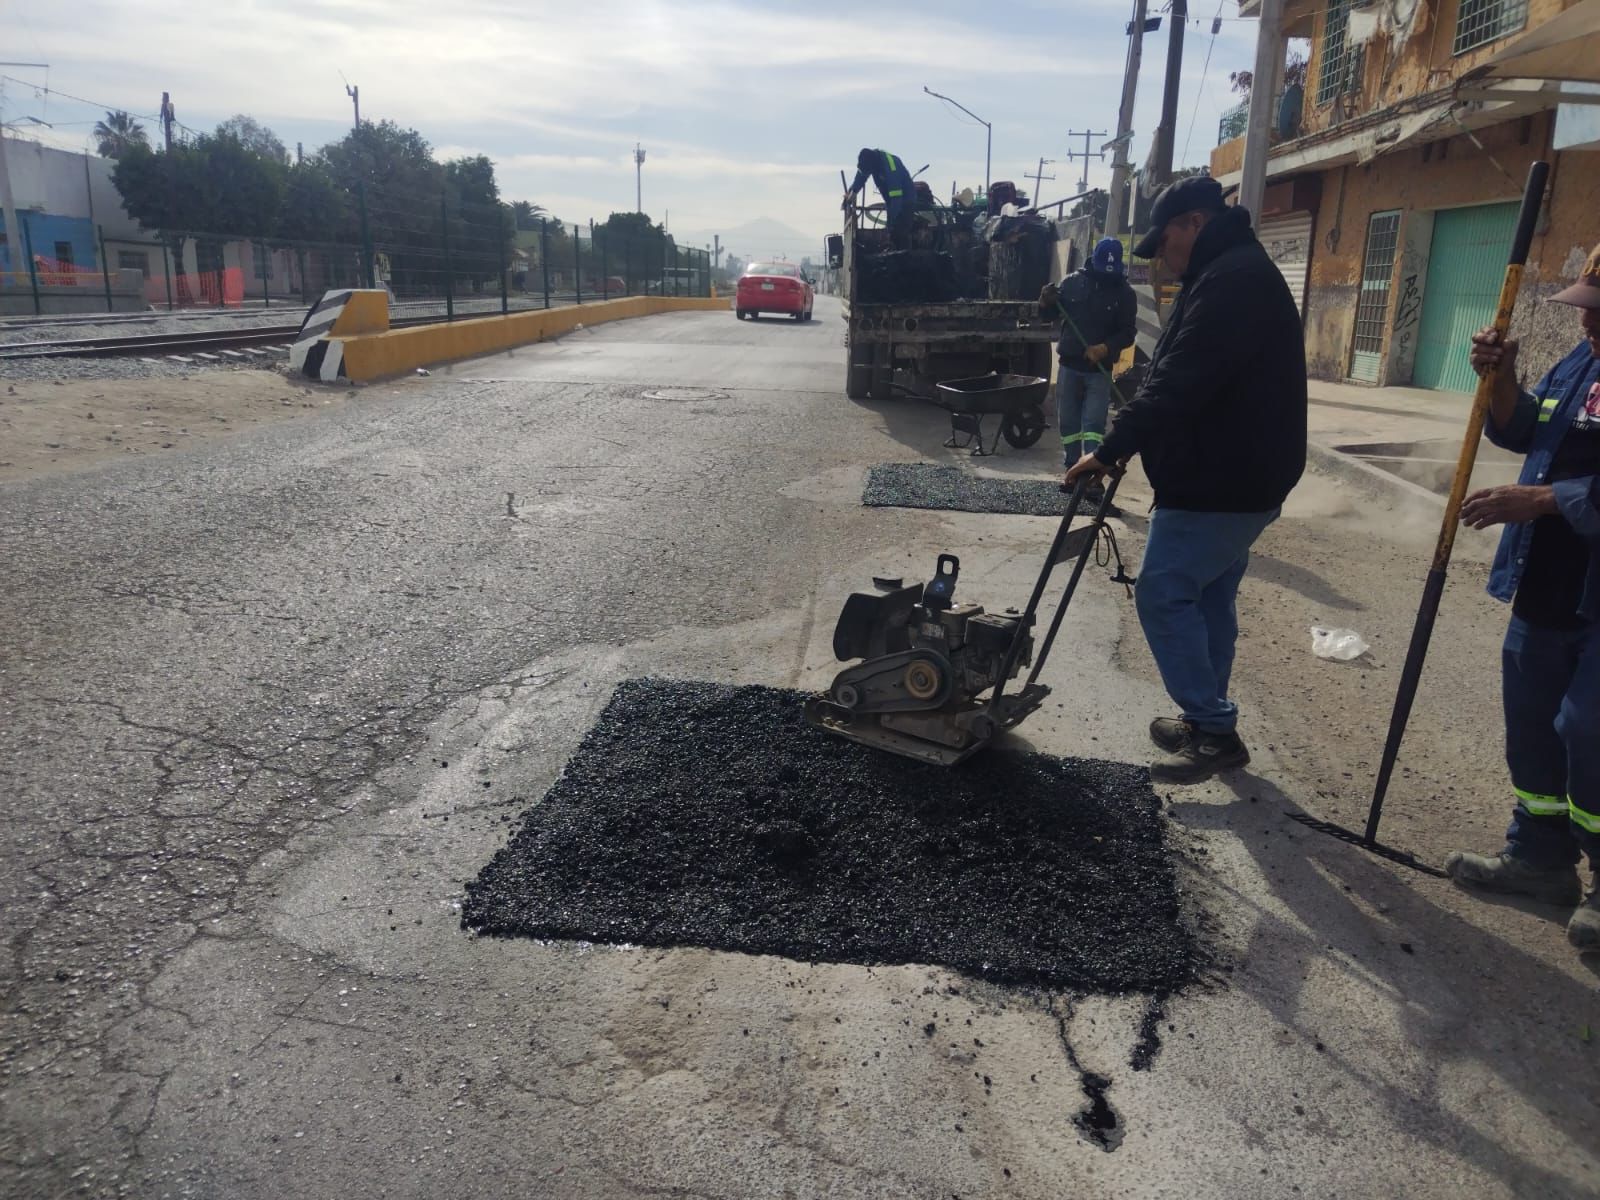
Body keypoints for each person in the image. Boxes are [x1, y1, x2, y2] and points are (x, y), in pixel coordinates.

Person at [1064, 175, 1306, 783]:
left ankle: (1213, 727)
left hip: (1223, 479)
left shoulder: (1233, 281)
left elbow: (1182, 380)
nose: (1159, 258)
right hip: (1236, 474)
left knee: (1164, 593)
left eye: (1164, 240)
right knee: (1208, 596)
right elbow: (1174, 372)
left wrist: (1112, 446)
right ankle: (1207, 721)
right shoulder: (1226, 272)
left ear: (1195, 224)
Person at [1442, 244, 1600, 953]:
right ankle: (1539, 859)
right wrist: (1501, 379)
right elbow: (1525, 427)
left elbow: (1556, 484)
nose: (1588, 324)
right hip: (1546, 584)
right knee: (1533, 727)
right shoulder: (1585, 363)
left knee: (1589, 732)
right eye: (1585, 309)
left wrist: (1541, 500)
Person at [1039, 237, 1137, 502]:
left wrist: (1105, 348)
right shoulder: (1072, 283)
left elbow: (1128, 332)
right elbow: (1048, 317)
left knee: (1094, 424)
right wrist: (1045, 302)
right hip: (1070, 366)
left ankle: (1093, 477)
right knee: (1069, 423)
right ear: (1093, 262)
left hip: (1099, 370)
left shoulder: (1124, 294)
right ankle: (1073, 469)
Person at [845, 148, 915, 251]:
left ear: (873, 166)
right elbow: (860, 177)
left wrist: (890, 224)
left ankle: (904, 256)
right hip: (891, 200)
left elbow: (896, 199)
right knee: (891, 230)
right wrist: (851, 194)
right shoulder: (869, 161)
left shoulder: (891, 168)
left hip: (904, 201)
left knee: (899, 232)